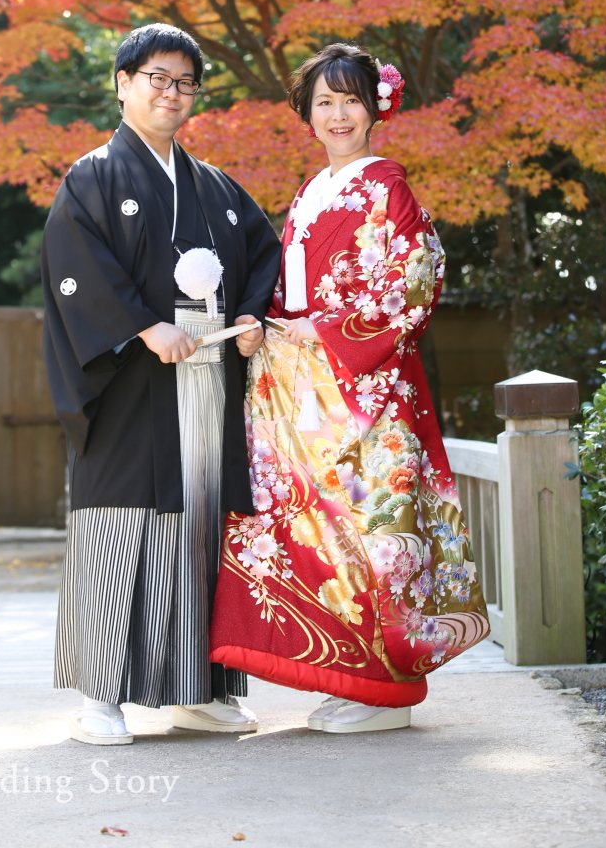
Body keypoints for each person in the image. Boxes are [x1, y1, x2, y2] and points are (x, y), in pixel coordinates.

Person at [210, 43, 490, 733]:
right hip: (309, 391)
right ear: (307, 113)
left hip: (367, 392)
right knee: (320, 533)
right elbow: (288, 286)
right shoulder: (314, 190)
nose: (337, 115)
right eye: (323, 102)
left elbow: (414, 283)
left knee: (372, 534)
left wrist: (330, 329)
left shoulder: (386, 185)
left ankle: (387, 687)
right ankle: (353, 676)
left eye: (350, 100)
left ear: (375, 107)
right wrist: (262, 323)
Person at [42, 23, 282, 746]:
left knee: (200, 529)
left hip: (206, 378)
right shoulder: (92, 177)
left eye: (184, 82)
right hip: (128, 384)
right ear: (122, 83)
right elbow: (74, 268)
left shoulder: (217, 189)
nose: (171, 93)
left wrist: (247, 316)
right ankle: (99, 697)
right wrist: (145, 327)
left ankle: (197, 691)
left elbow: (264, 254)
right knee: (119, 527)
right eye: (156, 78)